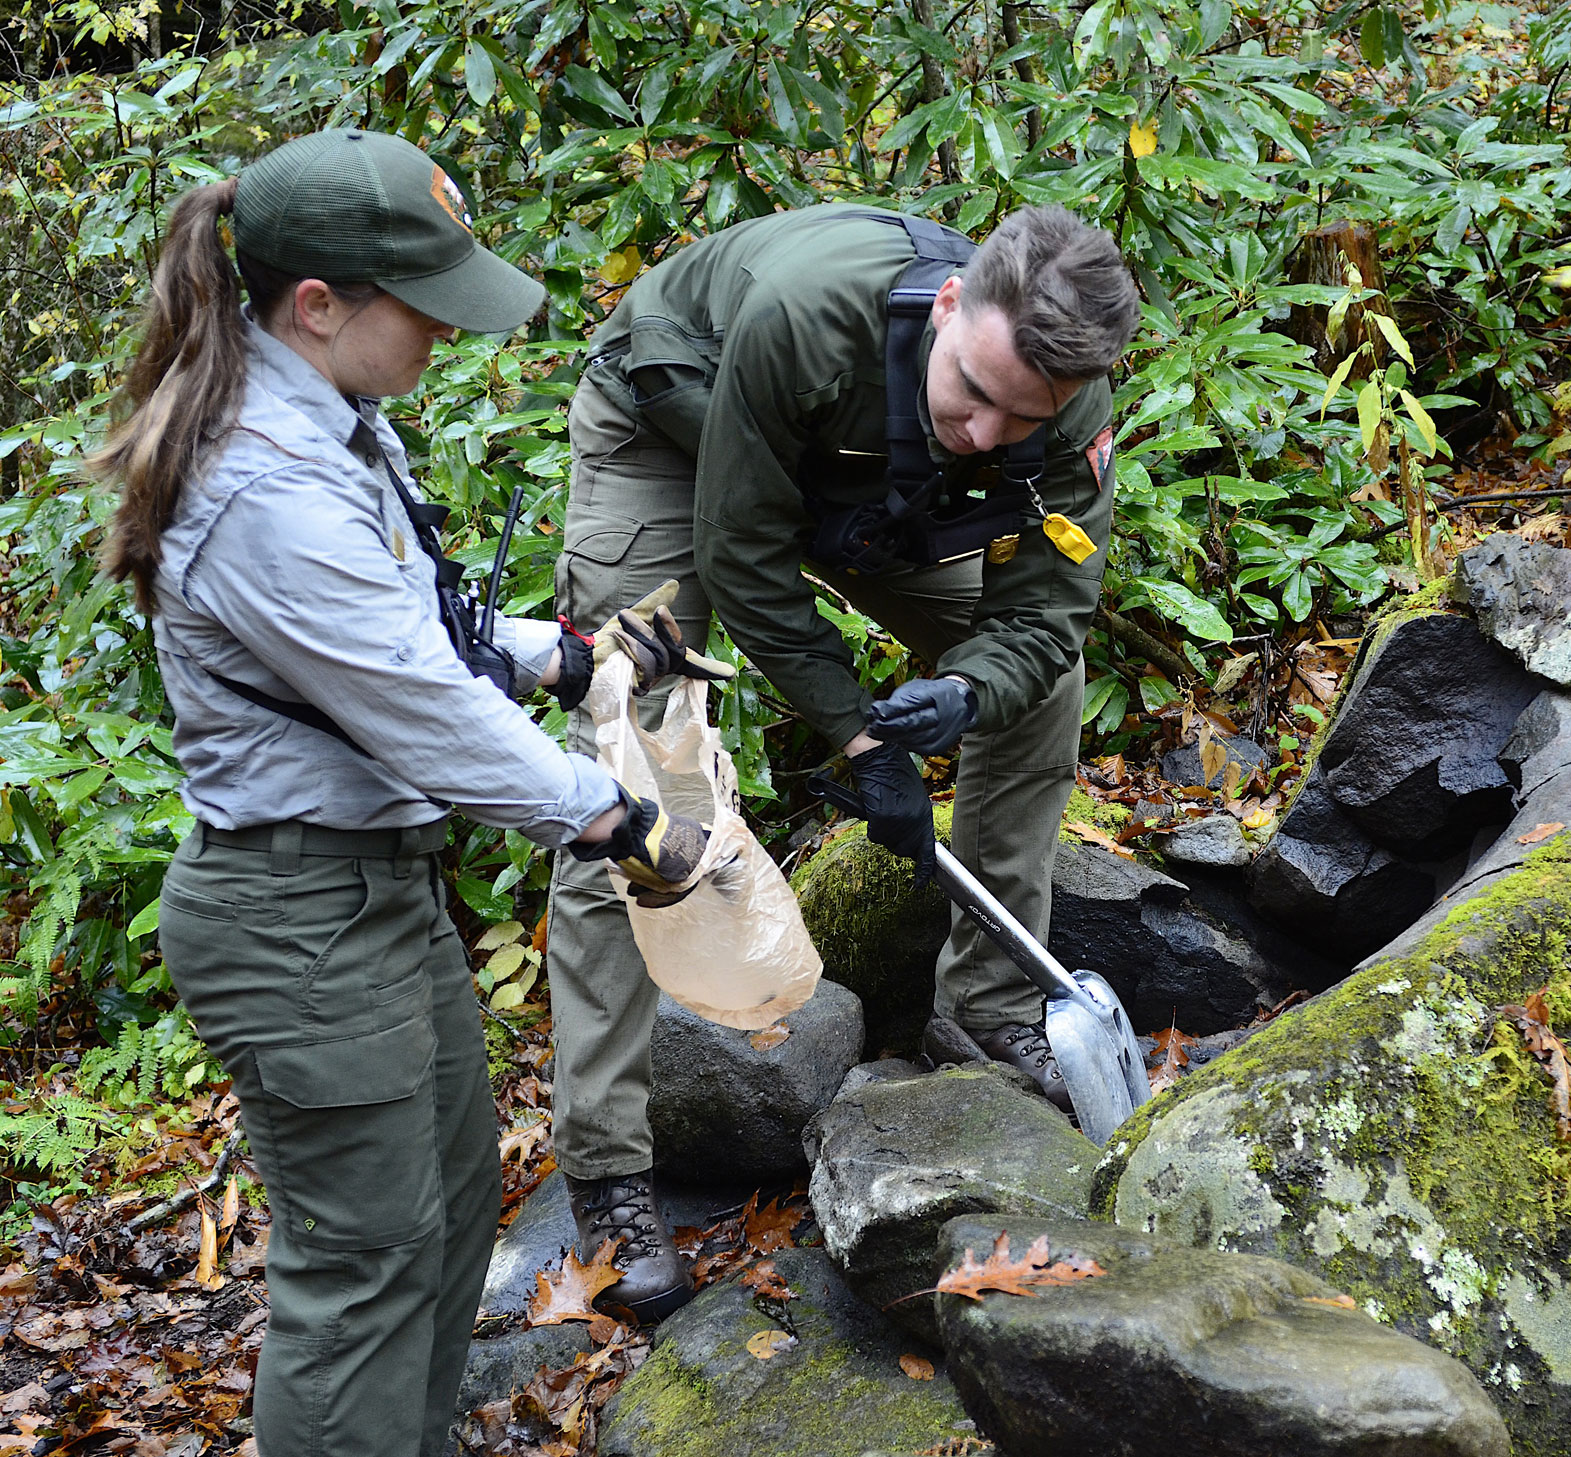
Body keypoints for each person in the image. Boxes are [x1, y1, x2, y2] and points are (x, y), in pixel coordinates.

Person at [93, 130, 720, 1457]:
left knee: (442, 1204)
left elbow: (406, 625)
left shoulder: (334, 426)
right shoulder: (261, 477)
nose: (445, 327)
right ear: (317, 306)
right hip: (295, 916)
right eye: (421, 302)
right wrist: (612, 815)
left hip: (369, 900)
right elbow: (420, 709)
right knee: (362, 1274)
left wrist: (568, 653)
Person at [546, 202, 1139, 1314]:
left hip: (866, 490)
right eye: (973, 392)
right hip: (673, 425)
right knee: (633, 765)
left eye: (1022, 418)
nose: (984, 435)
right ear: (953, 302)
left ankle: (994, 1006)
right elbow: (743, 551)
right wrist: (863, 743)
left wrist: (963, 691)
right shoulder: (809, 318)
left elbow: (1049, 604)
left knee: (1037, 689)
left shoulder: (1061, 401)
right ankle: (609, 1169)